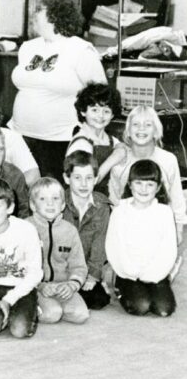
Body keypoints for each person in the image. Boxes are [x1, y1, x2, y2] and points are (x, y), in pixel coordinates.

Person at [9, 0, 107, 178]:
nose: (33, 15)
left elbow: (101, 95)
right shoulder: (28, 47)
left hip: (61, 140)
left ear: (55, 16)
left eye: (39, 10)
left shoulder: (80, 49)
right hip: (21, 136)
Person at [106, 159, 177, 317]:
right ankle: (120, 287)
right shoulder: (120, 212)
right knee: (141, 306)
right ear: (130, 185)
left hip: (155, 272)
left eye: (150, 184)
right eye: (138, 183)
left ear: (158, 187)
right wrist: (131, 272)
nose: (144, 189)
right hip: (128, 273)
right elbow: (114, 247)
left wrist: (153, 274)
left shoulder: (164, 213)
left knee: (164, 310)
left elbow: (168, 249)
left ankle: (161, 283)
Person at [105, 105, 185, 243]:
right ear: (128, 131)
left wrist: (178, 230)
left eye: (148, 124)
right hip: (128, 228)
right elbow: (114, 199)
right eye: (136, 124)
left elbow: (176, 197)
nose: (141, 129)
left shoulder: (168, 160)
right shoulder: (120, 162)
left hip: (161, 229)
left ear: (155, 131)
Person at [0, 178, 43, 338]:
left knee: (20, 330)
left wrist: (9, 300)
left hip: (22, 286)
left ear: (10, 208)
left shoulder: (26, 230)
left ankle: (31, 308)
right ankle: (4, 314)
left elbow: (35, 273)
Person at [26, 178, 90, 325]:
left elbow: (79, 265)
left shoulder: (70, 230)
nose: (50, 203)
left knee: (81, 315)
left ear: (62, 205)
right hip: (36, 286)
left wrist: (72, 285)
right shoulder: (26, 227)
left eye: (55, 199)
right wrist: (40, 286)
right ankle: (30, 308)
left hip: (63, 286)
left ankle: (56, 306)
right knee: (52, 314)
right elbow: (21, 265)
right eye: (42, 199)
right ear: (33, 205)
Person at [62, 151, 112, 309]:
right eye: (77, 178)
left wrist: (93, 275)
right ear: (66, 178)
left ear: (96, 179)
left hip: (85, 267)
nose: (83, 184)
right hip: (60, 267)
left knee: (99, 301)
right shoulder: (57, 202)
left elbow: (100, 242)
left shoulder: (102, 207)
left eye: (89, 178)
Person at [65, 83, 122, 193]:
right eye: (94, 110)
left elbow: (122, 149)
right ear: (83, 111)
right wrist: (114, 158)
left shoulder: (110, 139)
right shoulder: (81, 143)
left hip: (103, 198)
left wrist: (121, 147)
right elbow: (84, 183)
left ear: (112, 115)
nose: (100, 115)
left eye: (106, 111)